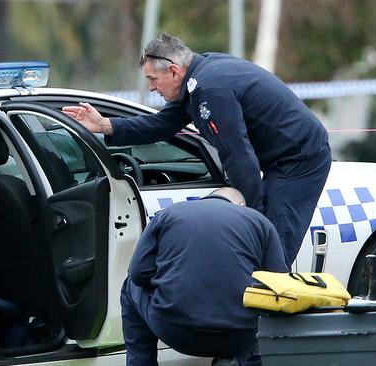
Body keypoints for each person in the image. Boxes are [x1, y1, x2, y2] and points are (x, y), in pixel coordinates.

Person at [62, 34, 331, 268]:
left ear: (174, 71)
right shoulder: (198, 76)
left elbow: (238, 158)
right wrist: (104, 125)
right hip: (279, 159)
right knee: (261, 243)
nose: (151, 88)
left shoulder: (210, 89)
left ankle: (268, 322)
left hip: (299, 161)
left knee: (271, 247)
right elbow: (161, 124)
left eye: (153, 79)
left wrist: (253, 214)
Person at [120, 188, 287, 365]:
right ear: (241, 205)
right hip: (242, 336)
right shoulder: (260, 222)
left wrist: (168, 282)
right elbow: (279, 285)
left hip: (177, 330)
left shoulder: (168, 214)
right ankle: (242, 360)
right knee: (265, 305)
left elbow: (138, 274)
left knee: (130, 286)